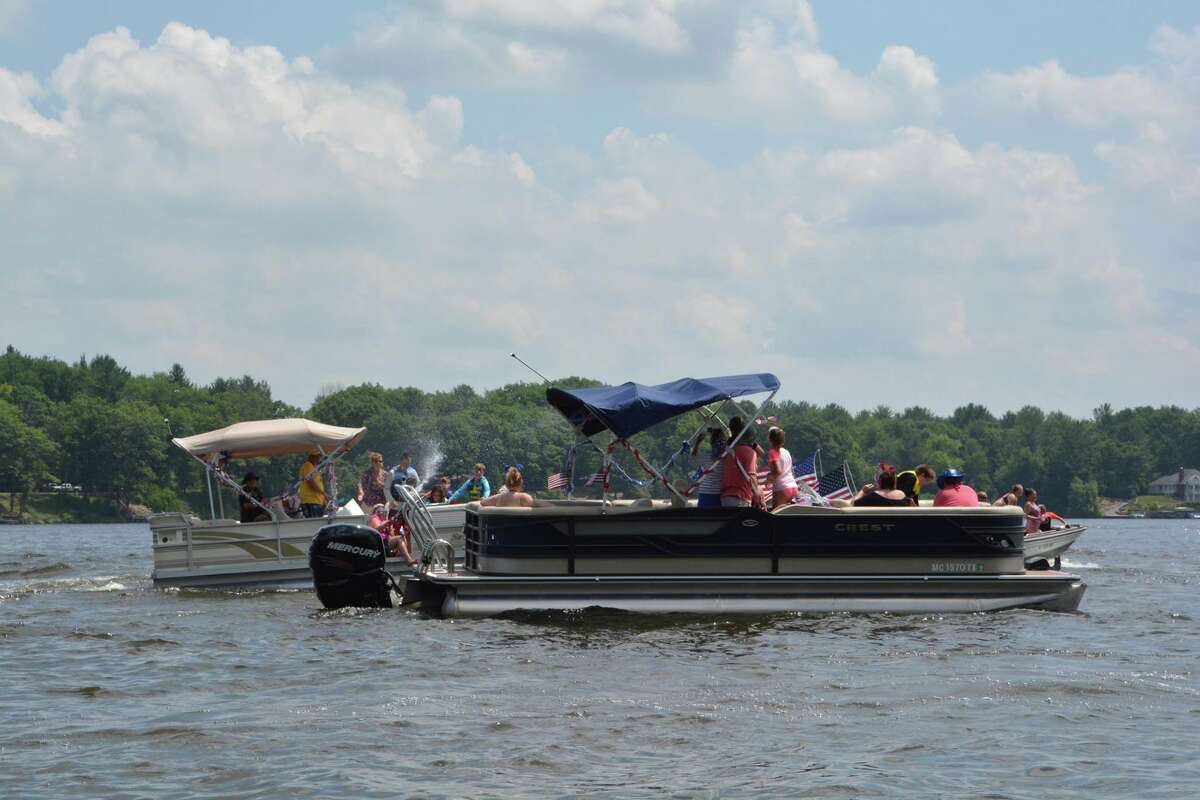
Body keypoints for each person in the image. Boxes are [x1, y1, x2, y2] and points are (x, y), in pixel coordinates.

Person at [720, 416, 762, 509]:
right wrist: (757, 495)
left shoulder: (727, 450)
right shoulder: (749, 452)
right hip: (740, 496)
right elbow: (751, 475)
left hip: (725, 495)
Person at [690, 427, 726, 508]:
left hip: (704, 493)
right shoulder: (726, 458)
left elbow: (694, 457)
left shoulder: (706, 457)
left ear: (712, 443)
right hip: (718, 494)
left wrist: (698, 442)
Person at [480, 467, 546, 508]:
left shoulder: (498, 497)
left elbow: (483, 502)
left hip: (499, 530)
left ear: (506, 484)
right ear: (521, 483)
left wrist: (483, 498)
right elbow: (540, 504)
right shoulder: (524, 498)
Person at [766, 426, 799, 509]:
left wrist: (769, 479)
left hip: (782, 488)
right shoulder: (786, 452)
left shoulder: (773, 452)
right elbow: (792, 471)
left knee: (775, 517)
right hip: (793, 486)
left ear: (769, 439)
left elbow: (778, 471)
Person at [297, 451, 327, 518]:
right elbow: (310, 482)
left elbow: (315, 480)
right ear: (313, 457)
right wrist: (324, 493)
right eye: (319, 456)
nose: (320, 458)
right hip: (311, 501)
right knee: (314, 522)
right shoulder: (308, 465)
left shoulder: (313, 469)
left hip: (316, 501)